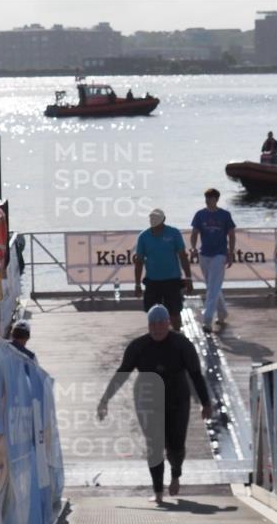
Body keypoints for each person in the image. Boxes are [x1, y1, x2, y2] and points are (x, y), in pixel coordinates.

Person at [96, 304, 212, 504]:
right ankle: (158, 491)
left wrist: (205, 403)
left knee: (176, 446)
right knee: (154, 445)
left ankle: (176, 474)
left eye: (161, 324)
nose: (157, 329)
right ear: (148, 325)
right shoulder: (138, 346)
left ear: (168, 323)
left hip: (178, 399)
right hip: (147, 400)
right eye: (153, 325)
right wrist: (105, 399)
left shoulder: (182, 345)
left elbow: (195, 375)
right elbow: (122, 374)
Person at [133, 208, 193, 332]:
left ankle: (177, 335)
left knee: (175, 312)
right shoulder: (144, 236)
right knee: (153, 314)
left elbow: (183, 256)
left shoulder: (174, 233)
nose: (155, 226)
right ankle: (155, 337)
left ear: (164, 220)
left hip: (172, 281)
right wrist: (137, 284)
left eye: (157, 223)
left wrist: (189, 278)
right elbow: (139, 261)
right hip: (153, 281)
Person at [189, 188, 236, 333]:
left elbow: (231, 234)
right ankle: (222, 314)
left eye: (210, 198)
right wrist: (193, 248)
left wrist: (230, 252)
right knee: (212, 285)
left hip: (219, 254)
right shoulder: (200, 215)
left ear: (216, 199)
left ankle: (207, 320)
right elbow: (194, 233)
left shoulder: (225, 215)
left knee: (212, 289)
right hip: (204, 254)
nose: (207, 200)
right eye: (206, 198)